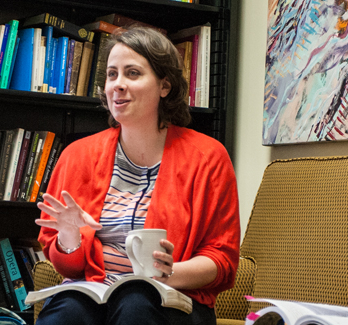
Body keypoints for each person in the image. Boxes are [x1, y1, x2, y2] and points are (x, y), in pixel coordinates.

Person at [33, 26, 241, 325]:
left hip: (172, 298)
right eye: (112, 74)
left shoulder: (207, 156)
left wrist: (169, 272)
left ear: (164, 86)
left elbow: (222, 261)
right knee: (66, 311)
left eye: (132, 73)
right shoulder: (76, 155)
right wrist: (69, 239)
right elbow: (68, 267)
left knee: (135, 303)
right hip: (93, 291)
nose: (117, 84)